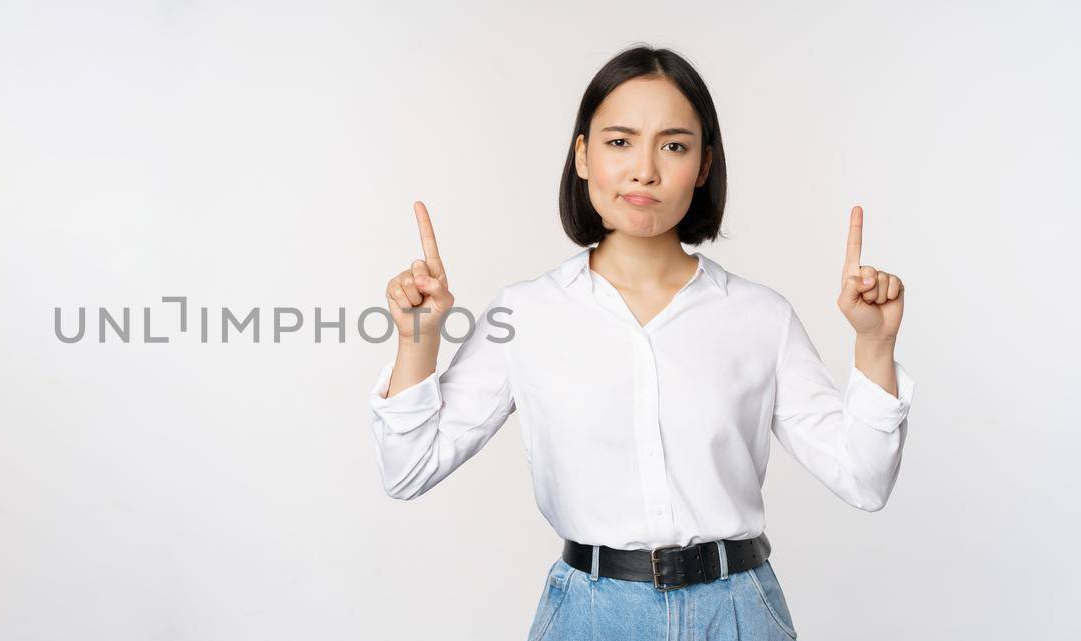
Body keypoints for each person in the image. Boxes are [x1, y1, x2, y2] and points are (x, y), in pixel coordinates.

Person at [367, 45, 913, 641]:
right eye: (619, 141)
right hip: (590, 616)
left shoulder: (760, 317)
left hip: (738, 614)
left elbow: (865, 480)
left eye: (674, 145)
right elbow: (408, 471)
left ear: (704, 165)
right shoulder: (526, 313)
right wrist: (417, 343)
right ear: (582, 155)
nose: (644, 169)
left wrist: (875, 346)